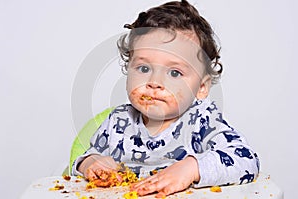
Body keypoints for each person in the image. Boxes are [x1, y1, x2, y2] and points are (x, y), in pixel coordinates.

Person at [71, 0, 260, 197]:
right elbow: (87, 157)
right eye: (144, 69)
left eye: (175, 73)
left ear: (201, 87)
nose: (154, 82)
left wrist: (191, 169)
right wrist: (91, 163)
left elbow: (246, 159)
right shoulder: (119, 121)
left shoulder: (202, 121)